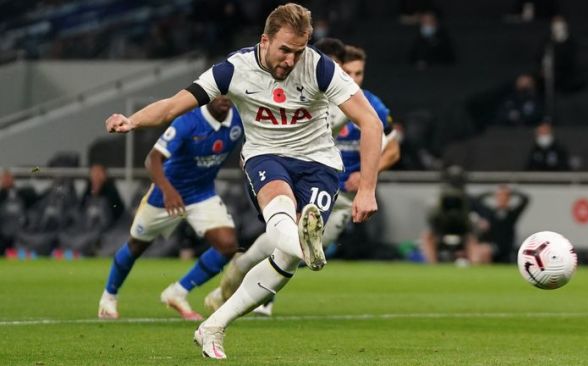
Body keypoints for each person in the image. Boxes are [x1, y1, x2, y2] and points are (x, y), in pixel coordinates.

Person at [105, 3, 382, 359]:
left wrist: (368, 190)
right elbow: (175, 105)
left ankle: (213, 325)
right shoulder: (234, 70)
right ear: (264, 41)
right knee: (279, 207)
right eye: (284, 49)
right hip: (266, 155)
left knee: (285, 261)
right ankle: (305, 243)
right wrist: (132, 120)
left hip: (319, 163)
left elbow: (371, 122)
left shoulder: (321, 68)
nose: (291, 59)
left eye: (299, 51)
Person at [205, 42, 401, 317]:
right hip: (300, 177)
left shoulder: (360, 102)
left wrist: (367, 179)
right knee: (294, 239)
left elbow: (391, 146)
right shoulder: (300, 91)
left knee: (305, 247)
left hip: (342, 193)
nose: (353, 79)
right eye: (349, 72)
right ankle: (255, 292)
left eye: (359, 74)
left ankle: (240, 272)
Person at [98, 96, 244, 321]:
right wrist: (168, 190)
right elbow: (152, 159)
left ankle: (177, 292)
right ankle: (108, 297)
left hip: (202, 194)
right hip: (165, 194)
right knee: (137, 245)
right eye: (219, 93)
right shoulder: (188, 122)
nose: (224, 98)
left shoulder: (239, 120)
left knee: (227, 246)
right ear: (209, 93)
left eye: (229, 93)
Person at [472, 185, 530, 263]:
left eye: (505, 196)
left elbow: (526, 199)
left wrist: (513, 192)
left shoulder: (512, 213)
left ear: (508, 198)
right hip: (493, 248)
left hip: (507, 248)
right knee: (482, 251)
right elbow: (476, 200)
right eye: (499, 196)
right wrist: (490, 192)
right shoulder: (490, 212)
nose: (502, 198)